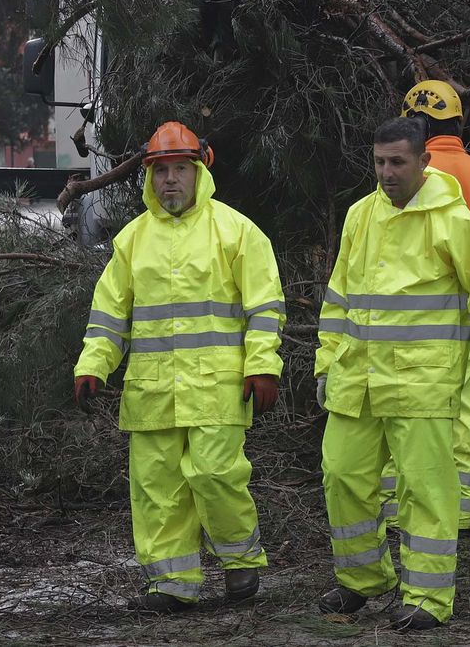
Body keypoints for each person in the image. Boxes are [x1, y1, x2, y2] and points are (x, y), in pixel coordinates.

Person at [71, 122, 285, 612]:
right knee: (158, 493)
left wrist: (263, 366)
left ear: (199, 172)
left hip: (217, 388)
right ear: (148, 176)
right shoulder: (131, 241)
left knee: (217, 476)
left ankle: (241, 563)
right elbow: (109, 316)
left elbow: (264, 307)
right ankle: (172, 585)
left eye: (179, 170)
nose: (170, 180)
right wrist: (93, 366)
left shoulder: (235, 231)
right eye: (161, 170)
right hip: (152, 393)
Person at [316, 117, 470, 631]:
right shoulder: (361, 215)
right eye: (380, 162)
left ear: (423, 162)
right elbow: (338, 298)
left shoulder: (454, 222)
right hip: (355, 382)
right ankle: (363, 581)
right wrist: (325, 363)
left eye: (397, 162)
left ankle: (427, 597)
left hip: (423, 384)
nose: (387, 172)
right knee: (342, 476)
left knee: (425, 491)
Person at [399, 80, 470, 530]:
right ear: (459, 123)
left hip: (413, 323)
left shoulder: (410, 174)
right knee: (469, 414)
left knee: (406, 414)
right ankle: (467, 510)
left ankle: (401, 508)